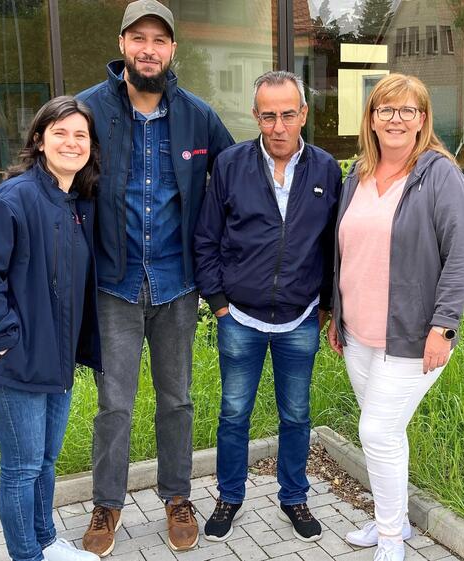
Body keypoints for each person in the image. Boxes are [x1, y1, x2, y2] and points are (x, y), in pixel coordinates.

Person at [75, 1, 234, 555]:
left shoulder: (197, 116)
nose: (148, 49)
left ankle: (177, 497)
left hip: (178, 285)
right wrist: (2, 208)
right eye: (138, 38)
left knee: (177, 400)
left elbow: (236, 178)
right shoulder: (88, 110)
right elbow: (47, 166)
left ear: (172, 50)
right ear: (122, 44)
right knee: (114, 405)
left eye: (159, 40)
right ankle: (107, 504)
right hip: (113, 285)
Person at [326, 74, 464, 561]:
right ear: (371, 119)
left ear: (422, 120)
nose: (395, 119)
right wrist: (337, 315)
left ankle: (391, 538)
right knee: (385, 435)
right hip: (360, 333)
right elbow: (345, 251)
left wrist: (444, 327)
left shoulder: (439, 175)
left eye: (407, 110)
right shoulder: (358, 174)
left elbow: (459, 257)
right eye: (385, 110)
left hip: (413, 335)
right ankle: (396, 520)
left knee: (377, 432)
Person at [194, 71, 341, 543]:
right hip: (239, 317)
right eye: (269, 116)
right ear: (255, 115)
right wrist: (219, 305)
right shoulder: (230, 165)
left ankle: (294, 497)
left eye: (288, 115)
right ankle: (229, 496)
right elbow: (206, 238)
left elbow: (333, 245)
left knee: (296, 415)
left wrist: (325, 304)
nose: (279, 126)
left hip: (300, 318)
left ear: (304, 114)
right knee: (233, 414)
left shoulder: (326, 170)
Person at [0, 96, 102, 561]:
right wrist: (7, 340)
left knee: (45, 460)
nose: (71, 143)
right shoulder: (15, 197)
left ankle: (45, 540)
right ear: (39, 140)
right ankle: (27, 555)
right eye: (60, 133)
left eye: (80, 135)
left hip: (56, 358)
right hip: (16, 359)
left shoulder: (76, 201)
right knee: (21, 468)